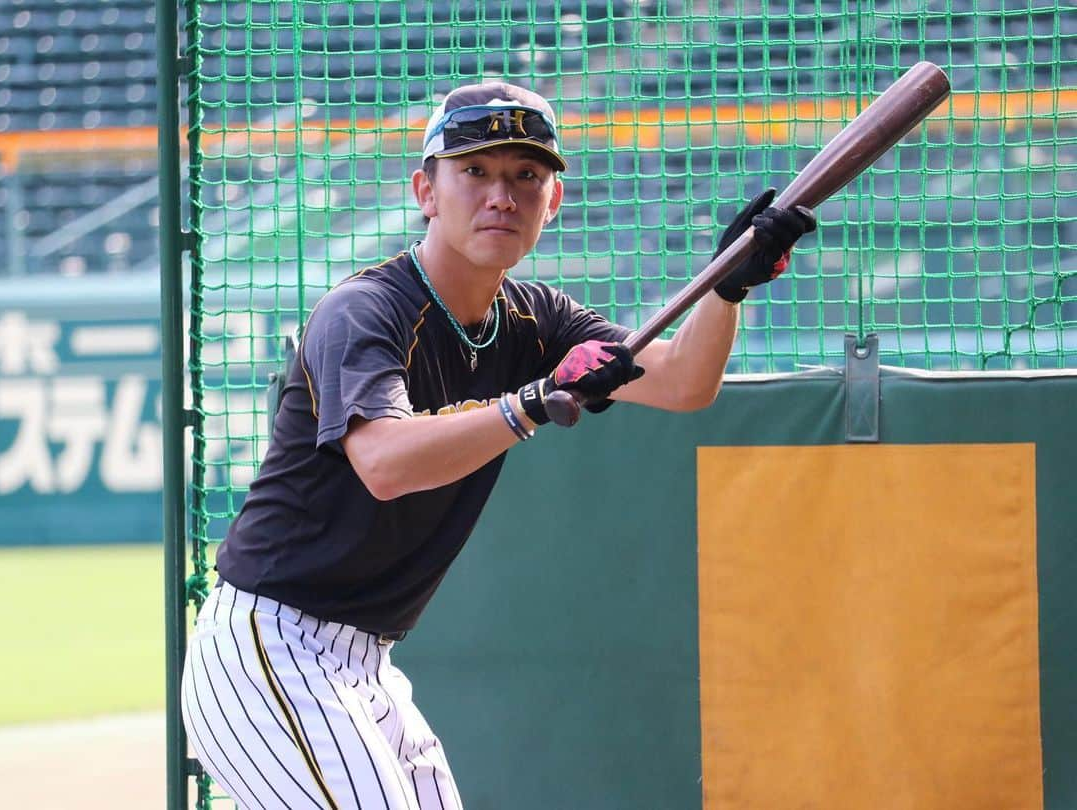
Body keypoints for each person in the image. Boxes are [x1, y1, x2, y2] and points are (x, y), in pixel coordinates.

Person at [180, 81, 815, 809]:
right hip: (272, 647)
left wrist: (726, 289)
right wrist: (528, 405)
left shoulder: (533, 319)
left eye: (526, 175)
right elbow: (385, 463)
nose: (501, 195)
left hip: (364, 661)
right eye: (475, 171)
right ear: (426, 190)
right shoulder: (365, 311)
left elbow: (682, 383)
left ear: (553, 201)